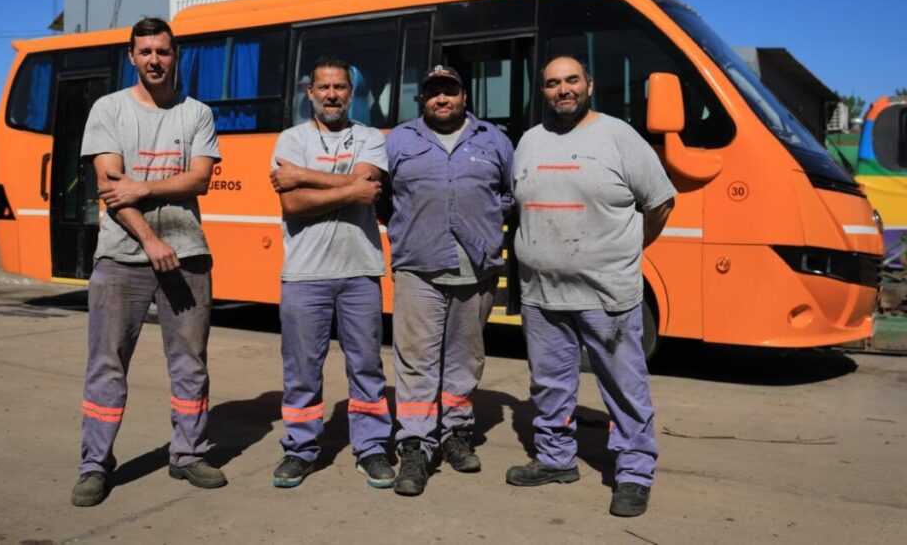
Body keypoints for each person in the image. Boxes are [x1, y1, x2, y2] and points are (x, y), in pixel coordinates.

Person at [506, 56, 675, 518]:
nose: (563, 90)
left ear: (589, 85)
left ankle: (634, 473)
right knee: (549, 384)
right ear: (542, 91)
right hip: (542, 294)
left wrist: (628, 250)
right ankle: (556, 459)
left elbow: (660, 203)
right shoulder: (529, 142)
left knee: (624, 386)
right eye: (553, 83)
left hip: (606, 294)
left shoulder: (619, 137)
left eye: (571, 81)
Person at [71, 17, 226, 507]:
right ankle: (95, 465)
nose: (155, 60)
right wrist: (151, 240)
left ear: (174, 55)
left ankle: (188, 453)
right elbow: (112, 189)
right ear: (132, 57)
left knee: (190, 364)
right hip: (121, 258)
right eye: (146, 52)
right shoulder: (108, 110)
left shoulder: (197, 113)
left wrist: (145, 187)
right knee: (107, 365)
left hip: (190, 254)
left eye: (163, 51)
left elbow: (199, 179)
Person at [384, 65, 514, 497]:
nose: (442, 99)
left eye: (450, 91)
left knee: (466, 358)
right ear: (423, 99)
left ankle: (456, 433)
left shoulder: (493, 140)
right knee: (417, 361)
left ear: (464, 97)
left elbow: (509, 197)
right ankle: (416, 447)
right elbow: (384, 199)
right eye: (434, 93)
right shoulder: (400, 140)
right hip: (419, 268)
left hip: (477, 269)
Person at [268, 55, 394, 489]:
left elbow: (369, 187)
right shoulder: (290, 138)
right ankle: (300, 450)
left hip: (361, 271)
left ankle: (372, 448)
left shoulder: (371, 137)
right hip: (304, 274)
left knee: (367, 366)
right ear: (310, 93)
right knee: (301, 369)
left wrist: (304, 176)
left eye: (340, 87)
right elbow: (293, 205)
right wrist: (350, 189)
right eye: (324, 88)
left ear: (351, 93)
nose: (332, 95)